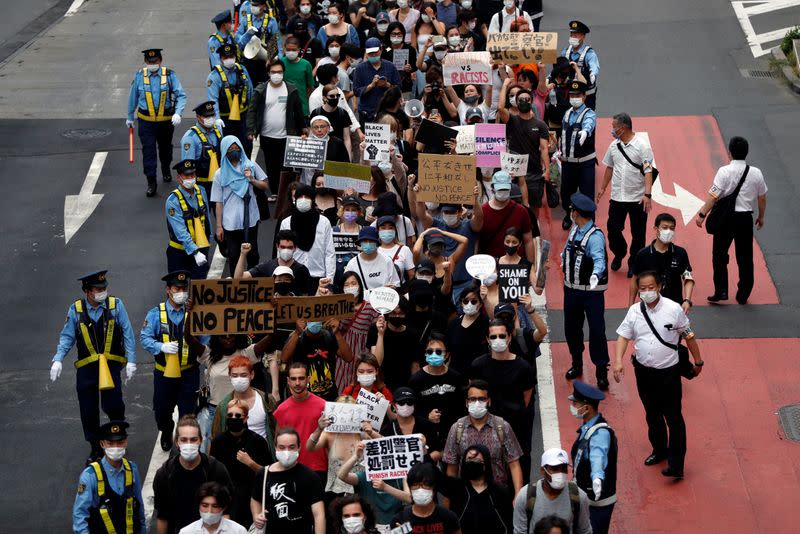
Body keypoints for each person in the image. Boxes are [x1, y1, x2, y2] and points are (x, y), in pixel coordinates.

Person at [613, 271, 704, 479]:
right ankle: (659, 450)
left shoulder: (674, 309)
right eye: (642, 289)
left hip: (669, 374)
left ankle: (676, 464)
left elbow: (688, 335)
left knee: (673, 417)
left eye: (650, 287)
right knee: (651, 413)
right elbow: (623, 336)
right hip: (643, 373)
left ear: (660, 286)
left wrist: (698, 361)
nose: (646, 292)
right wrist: (618, 361)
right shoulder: (635, 312)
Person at [50, 270, 136, 463]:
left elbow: (128, 332)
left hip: (111, 364)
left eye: (104, 288)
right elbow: (67, 337)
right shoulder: (76, 309)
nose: (102, 292)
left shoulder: (115, 305)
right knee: (88, 409)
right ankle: (95, 446)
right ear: (87, 291)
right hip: (87, 368)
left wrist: (131, 360)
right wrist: (58, 359)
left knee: (113, 404)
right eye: (98, 289)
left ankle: (118, 437)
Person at [695, 135, 767, 304]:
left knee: (719, 255)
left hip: (725, 219)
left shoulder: (724, 171)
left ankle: (721, 291)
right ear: (747, 152)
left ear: (730, 152)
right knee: (745, 257)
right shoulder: (756, 172)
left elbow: (713, 196)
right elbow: (762, 198)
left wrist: (702, 215)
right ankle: (743, 293)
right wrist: (761, 217)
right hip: (745, 219)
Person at [141, 270, 206, 451]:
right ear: (168, 290)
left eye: (184, 289)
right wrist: (160, 347)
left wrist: (207, 360)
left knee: (188, 412)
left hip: (189, 371)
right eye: (177, 288)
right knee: (162, 410)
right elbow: (145, 338)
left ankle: (183, 443)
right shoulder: (155, 314)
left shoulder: (195, 312)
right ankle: (166, 429)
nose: (181, 292)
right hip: (164, 372)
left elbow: (206, 339)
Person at [469, 319, 535, 481]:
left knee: (519, 465)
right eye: (493, 337)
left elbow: (526, 398)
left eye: (501, 335)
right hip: (486, 426)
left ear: (509, 337)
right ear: (487, 339)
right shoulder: (478, 365)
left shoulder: (523, 367)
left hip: (517, 427)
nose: (497, 340)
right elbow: (473, 394)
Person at [153, 415, 234, 534]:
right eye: (184, 440)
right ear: (177, 442)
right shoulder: (164, 474)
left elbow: (226, 512)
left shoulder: (216, 470)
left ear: (201, 440)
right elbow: (162, 517)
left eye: (193, 439)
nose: (189, 444)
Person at [596, 112, 655, 277]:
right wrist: (602, 188)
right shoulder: (614, 146)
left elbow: (648, 170)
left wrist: (647, 195)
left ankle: (633, 263)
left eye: (614, 127)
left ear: (623, 128)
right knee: (613, 229)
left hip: (637, 198)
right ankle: (619, 252)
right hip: (617, 197)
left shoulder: (642, 146)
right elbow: (609, 167)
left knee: (638, 234)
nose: (612, 130)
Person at [562, 192, 610, 391]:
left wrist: (596, 275)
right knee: (571, 329)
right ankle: (577, 363)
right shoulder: (575, 230)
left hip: (591, 293)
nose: (571, 213)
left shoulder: (595, 237)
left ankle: (601, 372)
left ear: (577, 213)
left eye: (572, 211)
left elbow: (599, 260)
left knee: (597, 330)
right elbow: (566, 250)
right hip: (571, 290)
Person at [443, 379, 523, 495]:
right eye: (472, 399)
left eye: (481, 399)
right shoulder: (456, 429)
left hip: (498, 494)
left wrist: (517, 496)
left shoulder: (502, 427)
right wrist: (450, 500)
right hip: (466, 495)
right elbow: (452, 468)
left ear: (488, 401)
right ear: (466, 402)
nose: (477, 402)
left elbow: (514, 464)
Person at [127, 48, 187, 196]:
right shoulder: (140, 76)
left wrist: (178, 113)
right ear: (145, 62)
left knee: (166, 148)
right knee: (148, 151)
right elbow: (132, 97)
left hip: (165, 121)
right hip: (146, 122)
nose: (152, 64)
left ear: (160, 61)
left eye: (154, 61)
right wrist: (129, 116)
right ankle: (151, 181)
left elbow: (181, 95)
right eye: (149, 62)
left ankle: (166, 168)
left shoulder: (170, 75)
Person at [246, 58, 306, 201]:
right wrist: (251, 130)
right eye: (274, 72)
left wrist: (303, 128)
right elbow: (252, 111)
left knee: (286, 166)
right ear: (268, 73)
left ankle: (287, 192)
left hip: (287, 135)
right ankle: (274, 192)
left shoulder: (291, 89)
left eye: (279, 72)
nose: (277, 74)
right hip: (267, 135)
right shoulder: (260, 90)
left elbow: (298, 111)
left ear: (283, 73)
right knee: (271, 165)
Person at [72, 421, 146, 534]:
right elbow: (80, 515)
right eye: (110, 443)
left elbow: (139, 508)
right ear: (102, 444)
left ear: (126, 442)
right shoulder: (90, 476)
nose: (115, 447)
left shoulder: (132, 469)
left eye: (120, 442)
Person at [209, 399, 273, 527]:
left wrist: (250, 463)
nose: (233, 418)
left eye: (238, 415)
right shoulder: (218, 442)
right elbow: (212, 475)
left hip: (251, 498)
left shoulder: (258, 441)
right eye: (230, 415)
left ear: (245, 418)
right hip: (226, 498)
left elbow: (269, 473)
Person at [211, 136, 270, 273]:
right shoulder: (220, 174)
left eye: (236, 148)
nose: (234, 151)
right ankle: (235, 285)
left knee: (253, 254)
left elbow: (265, 185)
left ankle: (253, 281)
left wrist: (251, 179)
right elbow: (218, 201)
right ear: (225, 151)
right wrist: (219, 226)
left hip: (250, 219)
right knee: (233, 256)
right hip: (230, 222)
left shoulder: (250, 166)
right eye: (230, 149)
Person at [250, 428, 326, 533]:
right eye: (282, 447)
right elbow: (255, 499)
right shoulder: (264, 474)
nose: (287, 452)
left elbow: (319, 515)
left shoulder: (310, 476)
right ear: (275, 447)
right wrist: (256, 515)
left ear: (299, 447)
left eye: (291, 447)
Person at [568, 381, 617, 534]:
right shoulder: (588, 427)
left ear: (587, 408)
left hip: (596, 505)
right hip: (586, 500)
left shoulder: (599, 434)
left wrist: (597, 478)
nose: (573, 407)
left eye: (575, 404)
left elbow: (598, 457)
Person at [435, 444, 514, 534]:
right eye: (468, 460)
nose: (472, 463)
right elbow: (432, 475)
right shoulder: (456, 487)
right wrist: (423, 451)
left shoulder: (500, 492)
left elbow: (509, 525)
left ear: (485, 465)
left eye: (477, 460)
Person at [512, 448, 592, 534]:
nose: (560, 473)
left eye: (563, 468)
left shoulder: (579, 497)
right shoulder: (525, 496)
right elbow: (519, 531)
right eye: (554, 469)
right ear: (543, 470)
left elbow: (585, 531)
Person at [281, 309, 354, 400]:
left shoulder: (329, 336)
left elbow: (349, 358)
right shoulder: (297, 338)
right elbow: (284, 358)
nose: (314, 322)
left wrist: (337, 333)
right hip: (305, 398)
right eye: (311, 319)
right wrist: (297, 332)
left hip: (329, 397)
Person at [409, 332, 468, 443]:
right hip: (425, 435)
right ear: (425, 353)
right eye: (430, 351)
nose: (434, 354)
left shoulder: (456, 377)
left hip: (453, 434)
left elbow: (462, 407)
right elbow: (411, 409)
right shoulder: (416, 380)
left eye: (439, 351)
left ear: (446, 355)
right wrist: (427, 416)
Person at [629, 213, 695, 313]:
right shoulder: (643, 254)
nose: (668, 231)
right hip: (648, 308)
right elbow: (634, 280)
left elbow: (688, 277)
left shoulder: (680, 253)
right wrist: (631, 307)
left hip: (674, 307)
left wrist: (687, 300)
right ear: (656, 229)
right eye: (665, 227)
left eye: (672, 228)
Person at [502, 87, 550, 217]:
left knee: (534, 207)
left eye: (527, 99)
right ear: (516, 103)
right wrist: (505, 84)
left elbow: (544, 148)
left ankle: (535, 230)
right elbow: (501, 109)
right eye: (521, 100)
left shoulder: (540, 125)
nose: (524, 101)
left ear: (531, 102)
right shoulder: (512, 121)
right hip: (514, 173)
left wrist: (547, 170)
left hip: (534, 173)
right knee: (514, 208)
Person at [273, 363, 329, 475]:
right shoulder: (281, 409)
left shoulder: (324, 406)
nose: (297, 383)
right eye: (293, 379)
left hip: (318, 468)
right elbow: (277, 441)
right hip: (291, 467)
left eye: (301, 378)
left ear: (308, 379)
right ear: (288, 381)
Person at [279, 184, 337, 292]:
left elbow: (329, 253)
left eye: (307, 197)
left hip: (318, 277)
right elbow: (281, 251)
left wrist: (330, 280)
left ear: (312, 200)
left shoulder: (323, 222)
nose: (303, 200)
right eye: (300, 197)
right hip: (292, 276)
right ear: (295, 199)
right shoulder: (286, 222)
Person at [211, 356, 278, 442]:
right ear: (229, 376)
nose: (239, 379)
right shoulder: (223, 406)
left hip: (262, 453)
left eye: (243, 375)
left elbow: (277, 432)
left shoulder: (266, 400)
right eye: (235, 376)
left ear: (252, 375)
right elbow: (215, 437)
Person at [558, 81, 597, 230]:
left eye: (577, 95)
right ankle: (569, 215)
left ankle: (589, 224)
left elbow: (589, 124)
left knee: (587, 194)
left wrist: (585, 132)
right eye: (572, 95)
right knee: (566, 193)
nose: (574, 97)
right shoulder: (567, 114)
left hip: (585, 163)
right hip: (568, 162)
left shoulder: (589, 114)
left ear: (584, 96)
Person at [473, 171, 536, 261]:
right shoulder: (483, 211)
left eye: (505, 189)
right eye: (500, 189)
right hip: (490, 266)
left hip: (515, 269)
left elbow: (528, 241)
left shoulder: (521, 211)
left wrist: (531, 268)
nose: (503, 192)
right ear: (492, 188)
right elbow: (477, 240)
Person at [164, 159, 212, 279]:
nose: (191, 178)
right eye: (187, 175)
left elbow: (207, 218)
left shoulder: (201, 191)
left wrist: (208, 241)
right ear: (179, 178)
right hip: (180, 253)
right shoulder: (173, 201)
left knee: (199, 289)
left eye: (193, 174)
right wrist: (195, 252)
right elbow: (180, 231)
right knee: (178, 289)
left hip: (201, 249)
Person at [336, 274, 382, 391]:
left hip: (362, 353)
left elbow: (375, 333)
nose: (350, 287)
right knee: (342, 387)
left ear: (360, 286)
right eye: (346, 285)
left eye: (353, 283)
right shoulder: (337, 307)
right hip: (343, 355)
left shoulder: (370, 307)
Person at [207, 44, 254, 154]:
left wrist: (252, 115)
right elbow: (213, 100)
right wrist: (217, 119)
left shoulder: (242, 70)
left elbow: (250, 91)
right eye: (225, 57)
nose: (229, 60)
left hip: (243, 117)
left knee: (247, 146)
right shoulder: (214, 77)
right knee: (228, 149)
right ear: (221, 59)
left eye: (231, 56)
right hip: (225, 119)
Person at [391, 462, 461, 534]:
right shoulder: (401, 519)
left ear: (434, 489)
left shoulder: (448, 517)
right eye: (415, 485)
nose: (420, 489)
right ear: (410, 489)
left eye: (425, 485)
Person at [235, 229, 312, 294]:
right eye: (283, 247)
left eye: (289, 247)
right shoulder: (266, 266)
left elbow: (306, 298)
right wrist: (243, 254)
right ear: (277, 246)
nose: (286, 250)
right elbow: (239, 278)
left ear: (295, 248)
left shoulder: (302, 270)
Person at [180, 101, 222, 202]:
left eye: (212, 115)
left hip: (220, 183)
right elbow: (187, 166)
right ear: (198, 117)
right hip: (202, 186)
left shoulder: (218, 129)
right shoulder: (189, 138)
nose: (210, 119)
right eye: (206, 116)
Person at [353, 37, 402, 123]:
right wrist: (371, 86)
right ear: (366, 53)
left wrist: (387, 85)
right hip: (367, 112)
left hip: (387, 112)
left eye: (375, 52)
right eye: (370, 53)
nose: (373, 55)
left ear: (381, 50)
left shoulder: (390, 66)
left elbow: (398, 87)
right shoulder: (360, 68)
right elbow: (356, 91)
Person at [235, 0, 282, 86]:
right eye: (253, 5)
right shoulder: (245, 20)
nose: (253, 7)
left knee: (264, 88)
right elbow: (238, 41)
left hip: (264, 62)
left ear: (263, 6)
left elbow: (276, 42)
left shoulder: (271, 21)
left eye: (256, 5)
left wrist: (275, 60)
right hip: (248, 61)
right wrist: (247, 35)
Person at [446, 284, 489, 374]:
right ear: (461, 303)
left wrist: (485, 299)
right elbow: (449, 352)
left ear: (480, 304)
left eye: (473, 301)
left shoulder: (486, 322)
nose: (469, 304)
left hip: (478, 374)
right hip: (456, 374)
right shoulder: (453, 324)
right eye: (466, 301)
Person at [179, 482, 247, 533]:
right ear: (199, 506)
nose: (209, 511)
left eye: (215, 506)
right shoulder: (186, 532)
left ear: (224, 508)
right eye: (205, 506)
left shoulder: (238, 531)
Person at [561, 20, 599, 110]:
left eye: (576, 35)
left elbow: (594, 67)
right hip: (570, 94)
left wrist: (592, 74)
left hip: (587, 96)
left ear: (583, 36)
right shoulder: (565, 52)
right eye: (571, 35)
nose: (573, 37)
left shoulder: (589, 53)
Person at [282, 36, 315, 115]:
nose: (291, 52)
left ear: (299, 50)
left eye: (293, 50)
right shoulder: (280, 62)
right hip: (284, 105)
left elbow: (310, 87)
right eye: (288, 50)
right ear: (284, 49)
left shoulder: (306, 64)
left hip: (302, 105)